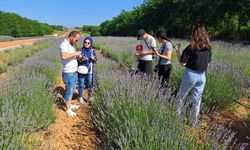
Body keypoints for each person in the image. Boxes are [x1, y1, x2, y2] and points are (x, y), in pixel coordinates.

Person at [175, 24, 212, 126]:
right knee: (197, 99)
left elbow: (183, 63)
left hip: (191, 74)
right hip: (202, 76)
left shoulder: (190, 47)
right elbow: (208, 64)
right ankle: (193, 122)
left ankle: (178, 119)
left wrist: (177, 51)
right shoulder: (208, 48)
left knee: (181, 97)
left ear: (194, 34)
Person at [60, 31, 82, 117]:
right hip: (68, 72)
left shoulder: (71, 45)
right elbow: (64, 56)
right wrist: (76, 54)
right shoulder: (64, 44)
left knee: (72, 89)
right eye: (76, 40)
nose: (76, 41)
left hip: (73, 71)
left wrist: (77, 56)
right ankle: (68, 109)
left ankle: (69, 104)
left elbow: (71, 56)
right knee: (69, 90)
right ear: (72, 37)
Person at [78, 36, 96, 104]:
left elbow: (95, 61)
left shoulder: (92, 51)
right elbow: (77, 60)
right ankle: (80, 97)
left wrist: (93, 58)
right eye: (85, 42)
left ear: (91, 43)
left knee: (89, 84)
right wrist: (82, 59)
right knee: (81, 84)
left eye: (88, 43)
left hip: (90, 70)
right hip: (82, 70)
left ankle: (90, 97)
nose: (86, 44)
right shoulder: (80, 50)